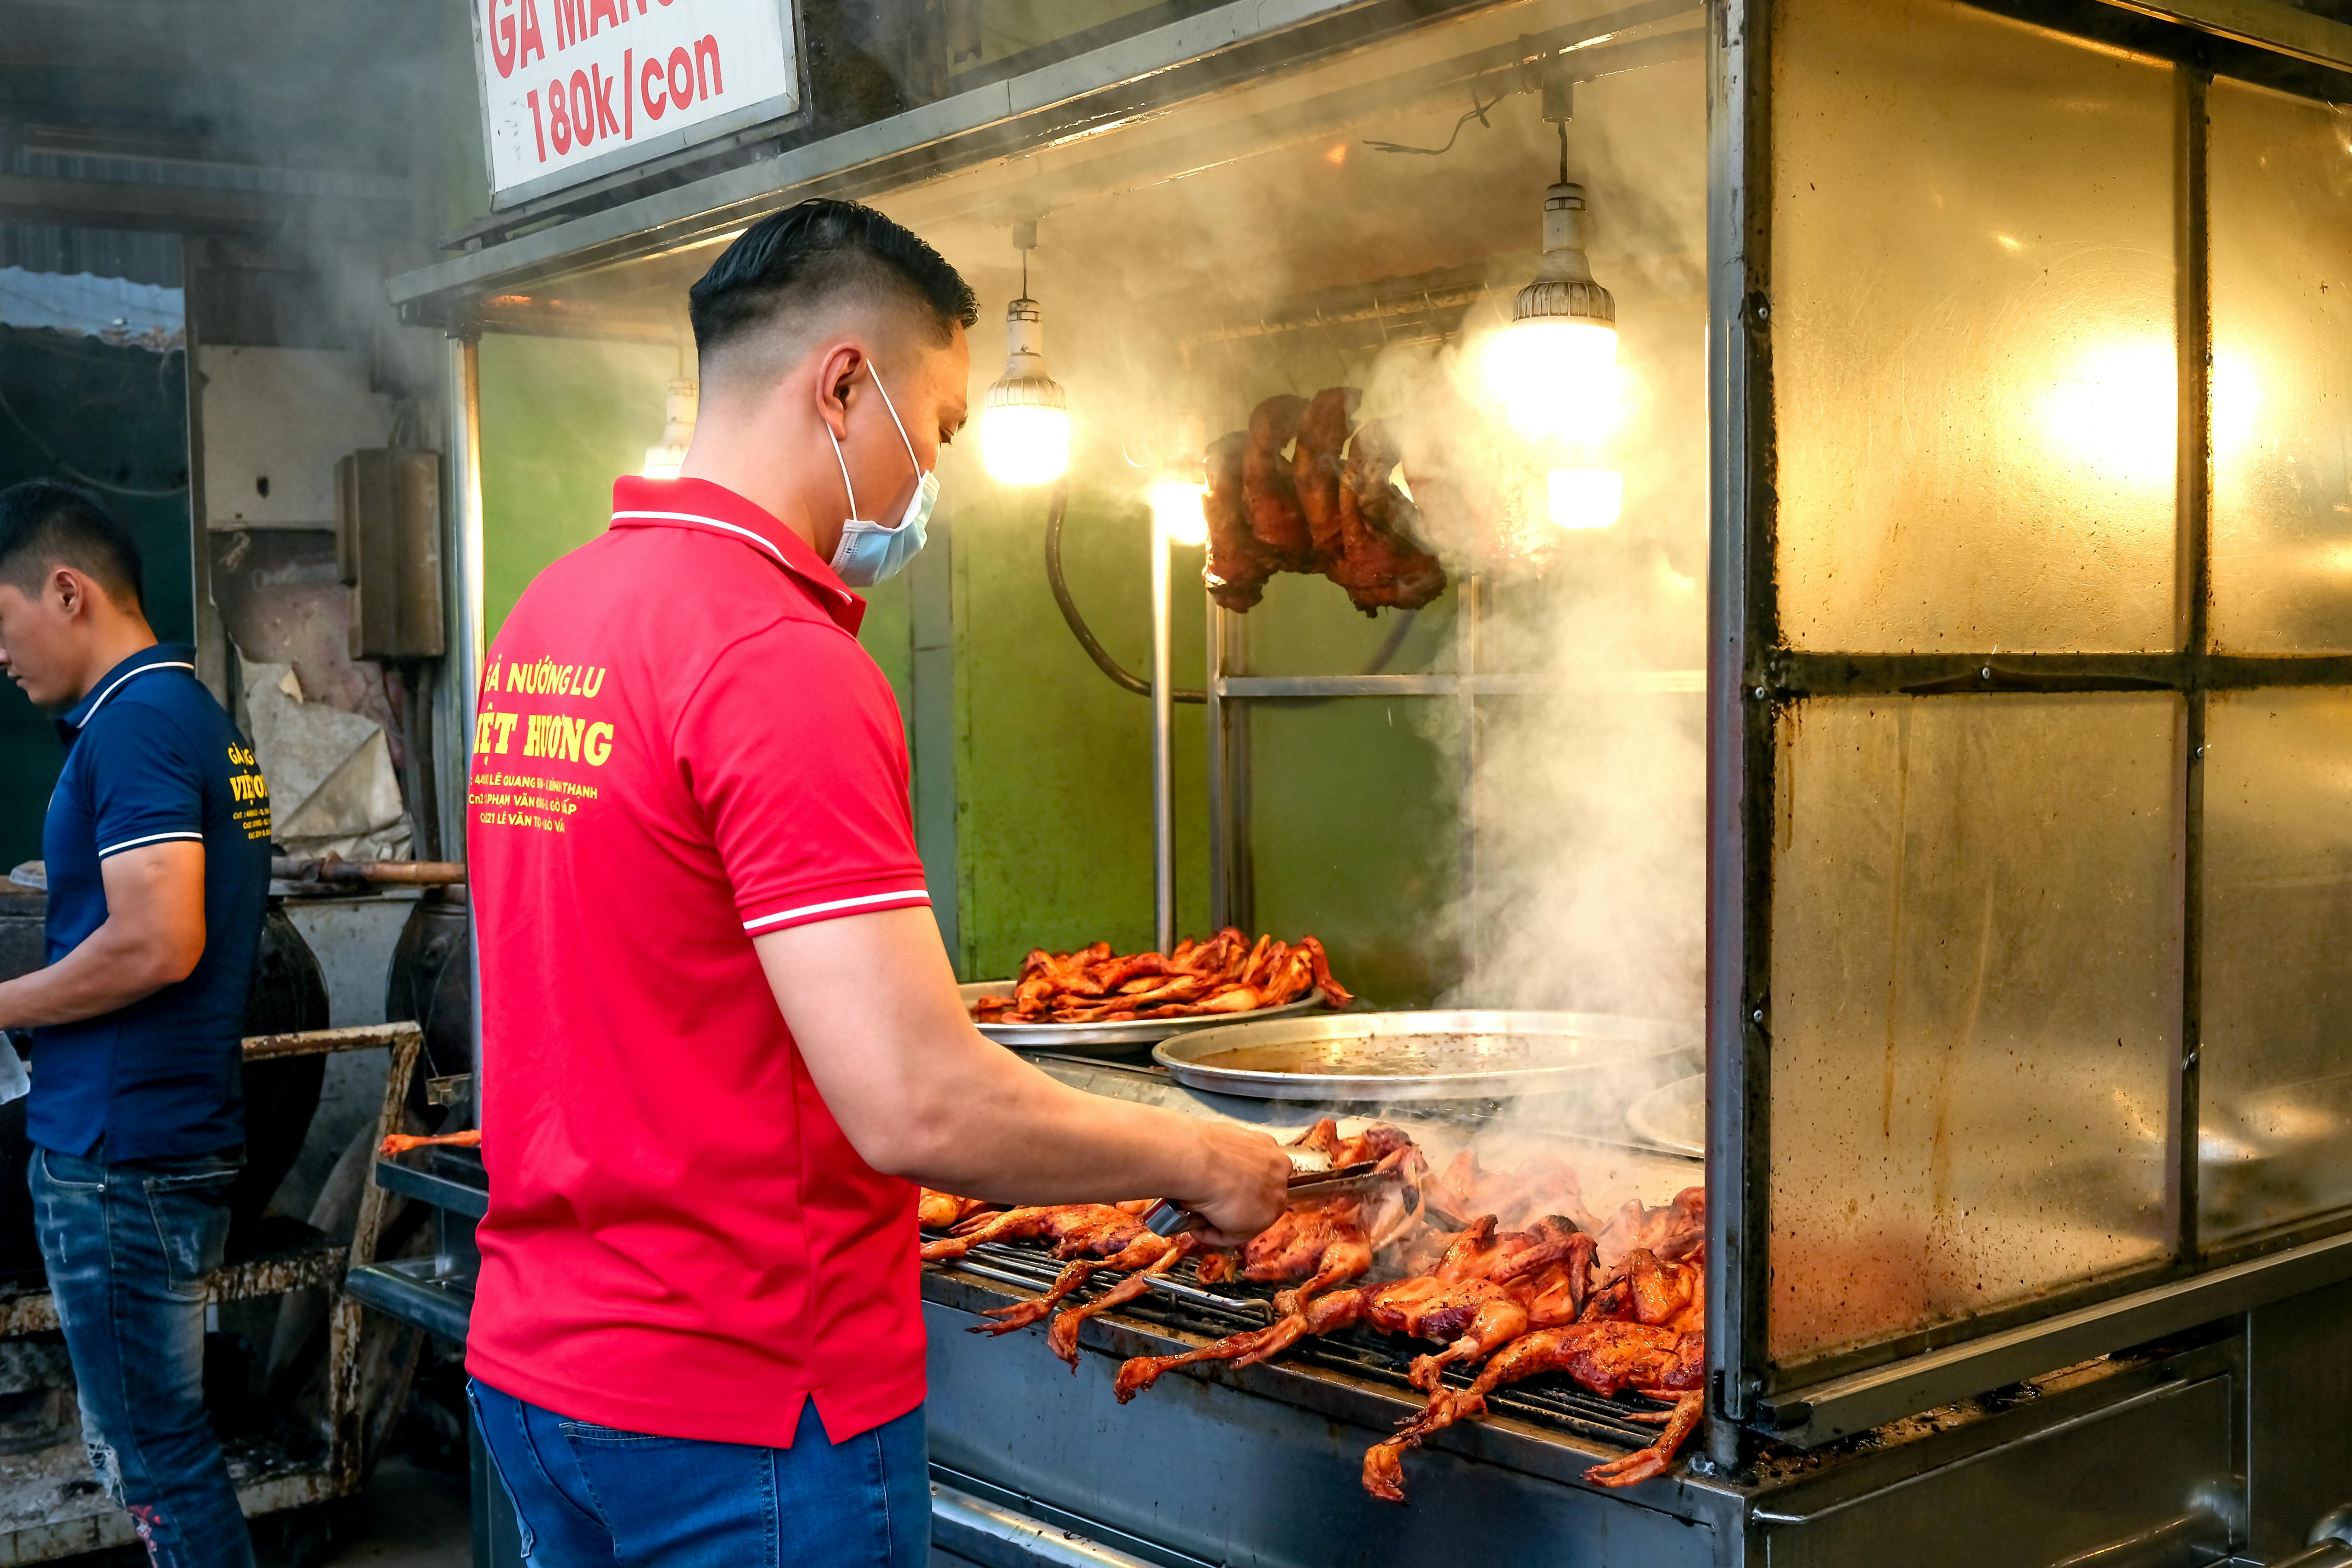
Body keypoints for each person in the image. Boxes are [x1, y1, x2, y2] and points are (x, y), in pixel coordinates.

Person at [463, 199, 1290, 1565]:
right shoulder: (776, 657)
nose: (931, 481)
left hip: (545, 1370)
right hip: (745, 1407)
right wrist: (1202, 1155)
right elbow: (918, 1100)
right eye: (944, 427)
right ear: (846, 384)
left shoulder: (553, 615)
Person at [0, 481, 272, 1568]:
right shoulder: (190, 717)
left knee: (159, 1463)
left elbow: (159, 942)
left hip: (123, 1158)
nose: (1, 657)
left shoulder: (139, 727)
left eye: (2, 622)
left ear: (66, 592)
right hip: (153, 1142)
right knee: (160, 1453)